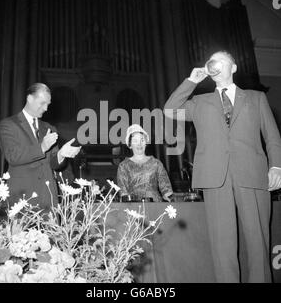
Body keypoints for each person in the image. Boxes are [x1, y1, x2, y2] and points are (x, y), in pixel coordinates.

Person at [164, 50, 281, 283]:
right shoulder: (199, 101)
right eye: (211, 62)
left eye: (220, 61)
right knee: (222, 244)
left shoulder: (256, 98)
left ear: (233, 67)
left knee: (258, 241)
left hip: (253, 174)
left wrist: (277, 167)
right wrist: (192, 81)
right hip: (215, 177)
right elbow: (169, 109)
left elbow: (272, 137)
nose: (214, 65)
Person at [0, 83, 81, 213]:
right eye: (42, 103)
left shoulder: (49, 128)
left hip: (48, 198)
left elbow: (54, 164)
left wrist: (61, 155)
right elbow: (12, 156)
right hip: (21, 199)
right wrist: (42, 147)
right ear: (29, 99)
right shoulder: (8, 125)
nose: (46, 108)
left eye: (48, 104)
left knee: (53, 234)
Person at [116, 124, 173, 202]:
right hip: (134, 208)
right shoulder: (123, 166)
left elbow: (167, 190)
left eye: (142, 140)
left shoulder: (156, 163)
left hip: (155, 206)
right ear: (130, 145)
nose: (139, 144)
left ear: (146, 142)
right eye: (135, 141)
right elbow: (123, 193)